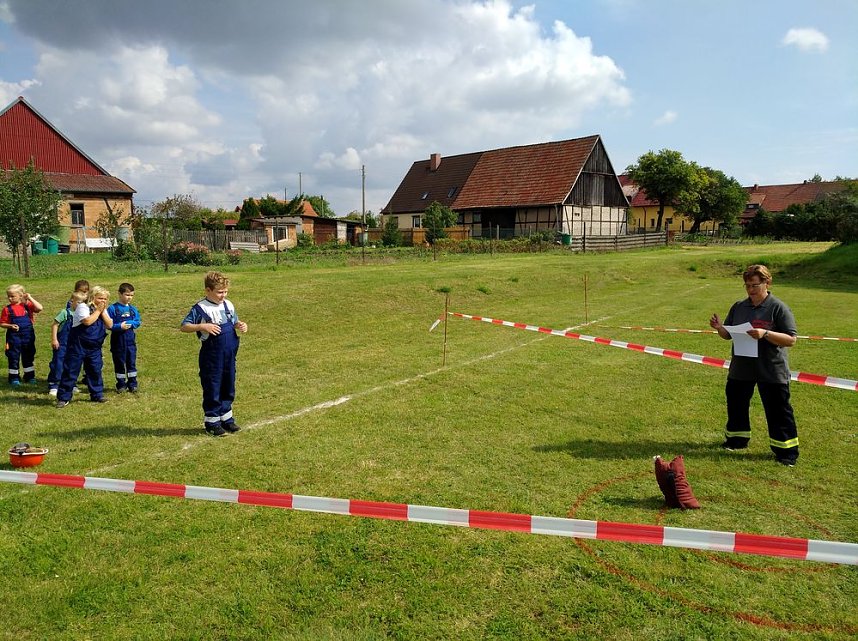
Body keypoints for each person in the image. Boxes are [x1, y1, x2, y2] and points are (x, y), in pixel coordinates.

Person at [709, 264, 799, 466]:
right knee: (736, 404)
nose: (750, 290)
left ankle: (786, 452)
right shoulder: (739, 307)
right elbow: (728, 335)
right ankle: (737, 439)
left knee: (778, 410)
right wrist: (720, 328)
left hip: (771, 369)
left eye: (755, 285)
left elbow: (791, 339)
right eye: (747, 285)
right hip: (741, 368)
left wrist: (765, 334)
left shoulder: (778, 308)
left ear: (767, 283)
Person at [180, 271, 248, 437]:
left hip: (229, 354)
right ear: (208, 291)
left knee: (228, 384)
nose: (223, 295)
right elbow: (184, 326)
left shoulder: (228, 305)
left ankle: (227, 418)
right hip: (212, 356)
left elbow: (233, 321)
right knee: (213, 386)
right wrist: (202, 327)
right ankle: (212, 422)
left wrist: (240, 324)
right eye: (219, 292)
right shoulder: (201, 308)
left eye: (225, 292)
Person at [56, 285, 113, 407]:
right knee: (71, 370)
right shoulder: (83, 307)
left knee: (95, 370)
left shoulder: (103, 310)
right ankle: (63, 397)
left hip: (94, 347)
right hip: (78, 345)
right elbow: (87, 322)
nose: (103, 301)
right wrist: (98, 311)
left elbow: (109, 325)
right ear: (93, 297)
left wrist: (102, 312)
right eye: (100, 298)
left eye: (105, 299)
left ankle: (97, 395)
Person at [47, 279, 90, 396]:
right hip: (62, 342)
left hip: (74, 343)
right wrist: (54, 339)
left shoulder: (81, 315)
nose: (80, 305)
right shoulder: (65, 312)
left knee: (72, 363)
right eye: (77, 302)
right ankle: (54, 384)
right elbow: (55, 324)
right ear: (71, 301)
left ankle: (71, 383)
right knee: (58, 362)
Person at [2, 284, 44, 385]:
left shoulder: (27, 306)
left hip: (27, 335)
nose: (10, 298)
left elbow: (40, 308)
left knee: (28, 355)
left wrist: (29, 298)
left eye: (12, 296)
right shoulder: (7, 309)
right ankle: (14, 377)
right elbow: (2, 323)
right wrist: (10, 326)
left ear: (20, 296)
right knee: (13, 356)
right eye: (8, 296)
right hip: (14, 337)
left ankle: (29, 376)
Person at [107, 282, 141, 393]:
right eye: (127, 295)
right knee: (119, 363)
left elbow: (137, 322)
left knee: (131, 362)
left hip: (130, 341)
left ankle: (133, 383)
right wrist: (119, 326)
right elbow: (108, 324)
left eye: (131, 295)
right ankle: (121, 384)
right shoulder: (112, 308)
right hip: (117, 341)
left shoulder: (132, 309)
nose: (129, 298)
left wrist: (130, 323)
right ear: (119, 294)